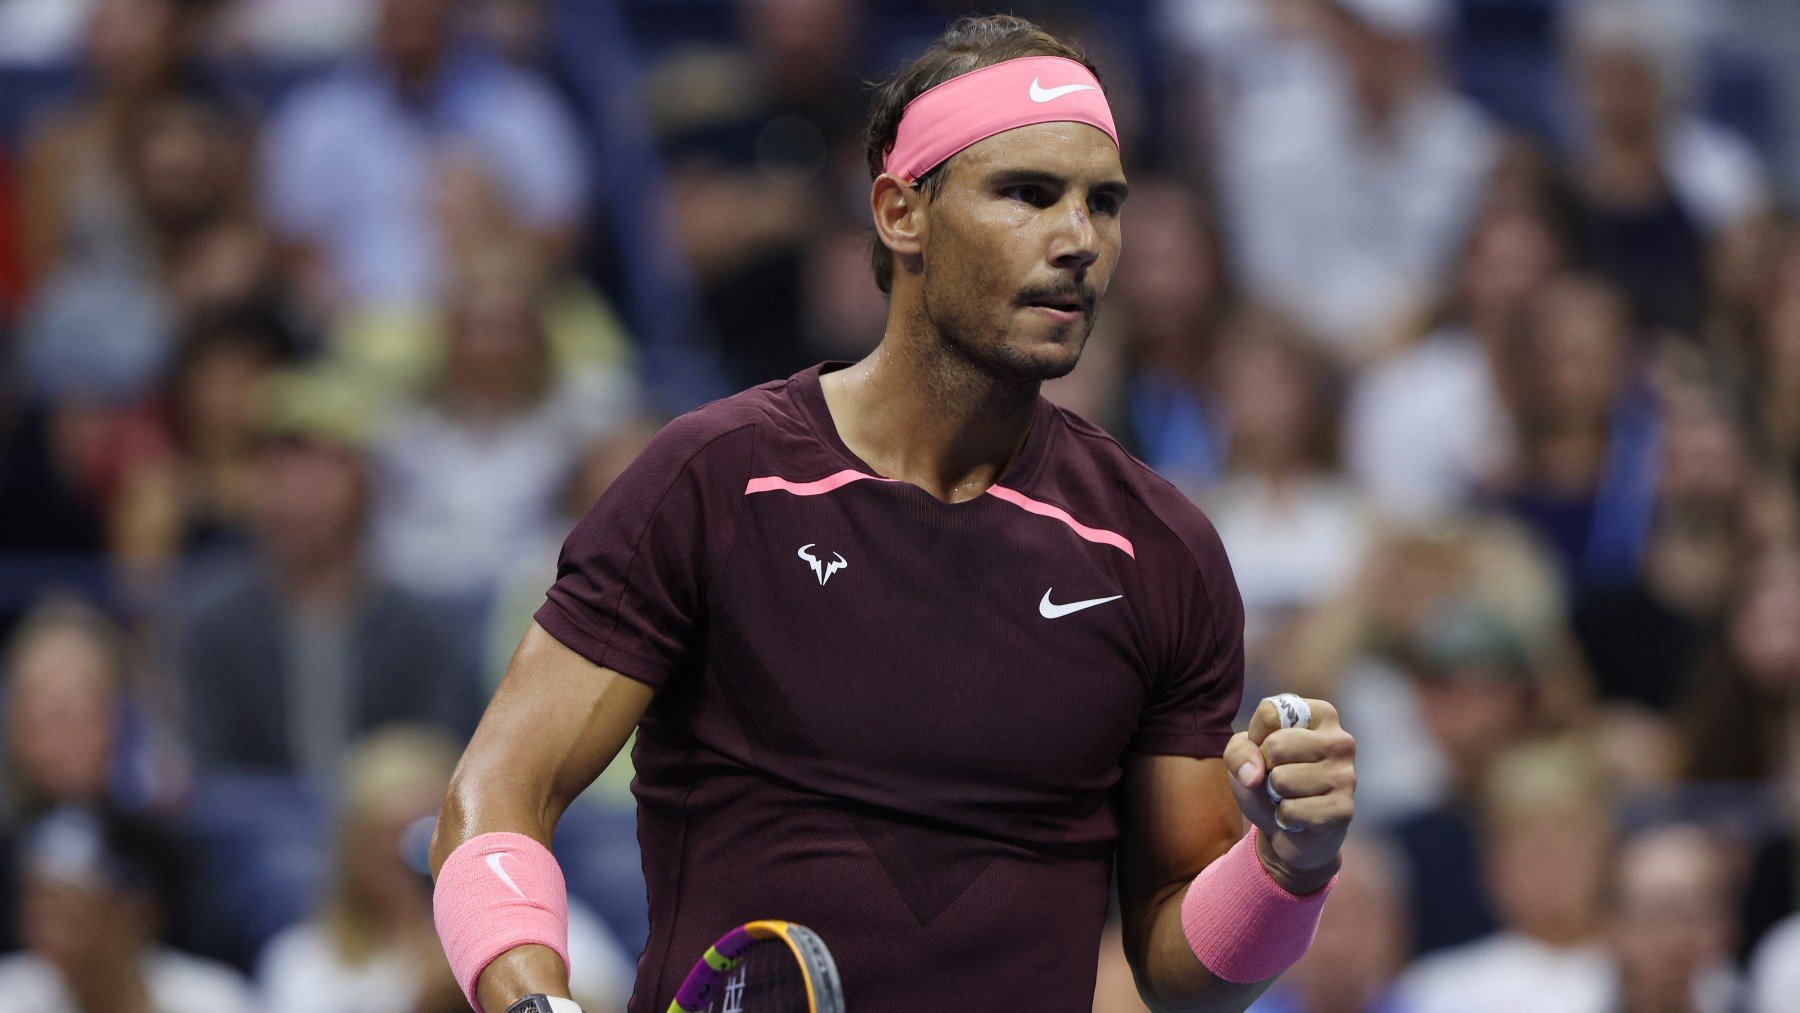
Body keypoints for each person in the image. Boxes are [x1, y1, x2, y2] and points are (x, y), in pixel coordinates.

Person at [431, 15, 1358, 1013]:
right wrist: (533, 998)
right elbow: (493, 795)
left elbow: (1179, 972)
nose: (1079, 239)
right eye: (1028, 194)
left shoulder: (1160, 551)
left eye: (1103, 203)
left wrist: (1288, 864)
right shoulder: (711, 481)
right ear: (900, 212)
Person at [176, 389, 483, 780]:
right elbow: (210, 769)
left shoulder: (424, 629)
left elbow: (441, 758)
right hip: (255, 827)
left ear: (366, 485)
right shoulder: (212, 624)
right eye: (282, 473)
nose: (300, 495)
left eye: (321, 474)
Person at [258, 725, 632, 1013]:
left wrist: (508, 986)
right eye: (385, 841)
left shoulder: (541, 922)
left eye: (424, 837)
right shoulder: (307, 962)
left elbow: (609, 1003)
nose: (409, 863)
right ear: (355, 855)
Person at [0, 805, 253, 1013]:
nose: (50, 935)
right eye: (39, 915)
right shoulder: (9, 997)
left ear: (134, 912)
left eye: (70, 917)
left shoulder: (214, 999)